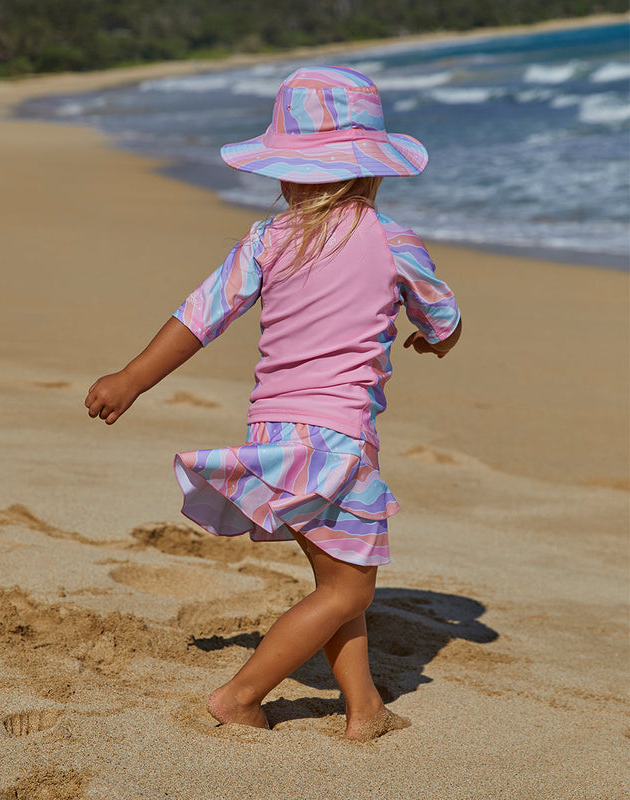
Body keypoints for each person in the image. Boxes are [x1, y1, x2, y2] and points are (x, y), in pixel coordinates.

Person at [85, 66, 462, 741]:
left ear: (285, 168)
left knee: (336, 575)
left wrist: (131, 379)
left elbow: (199, 317)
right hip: (339, 441)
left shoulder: (266, 240)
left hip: (277, 435)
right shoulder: (392, 240)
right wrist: (435, 340)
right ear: (372, 167)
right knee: (348, 589)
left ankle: (364, 707)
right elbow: (443, 316)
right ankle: (241, 694)